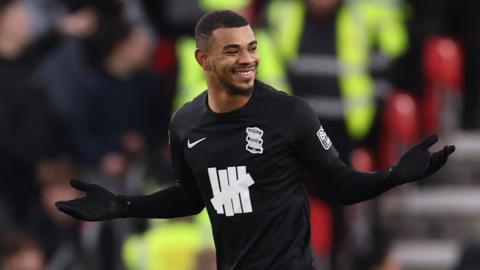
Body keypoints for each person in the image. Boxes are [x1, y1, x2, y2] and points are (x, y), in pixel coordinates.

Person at [56, 10, 455, 270]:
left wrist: (393, 175)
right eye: (232, 51)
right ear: (203, 60)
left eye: (252, 48)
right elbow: (191, 197)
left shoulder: (290, 113)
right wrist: (121, 205)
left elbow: (340, 184)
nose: (248, 59)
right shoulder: (185, 123)